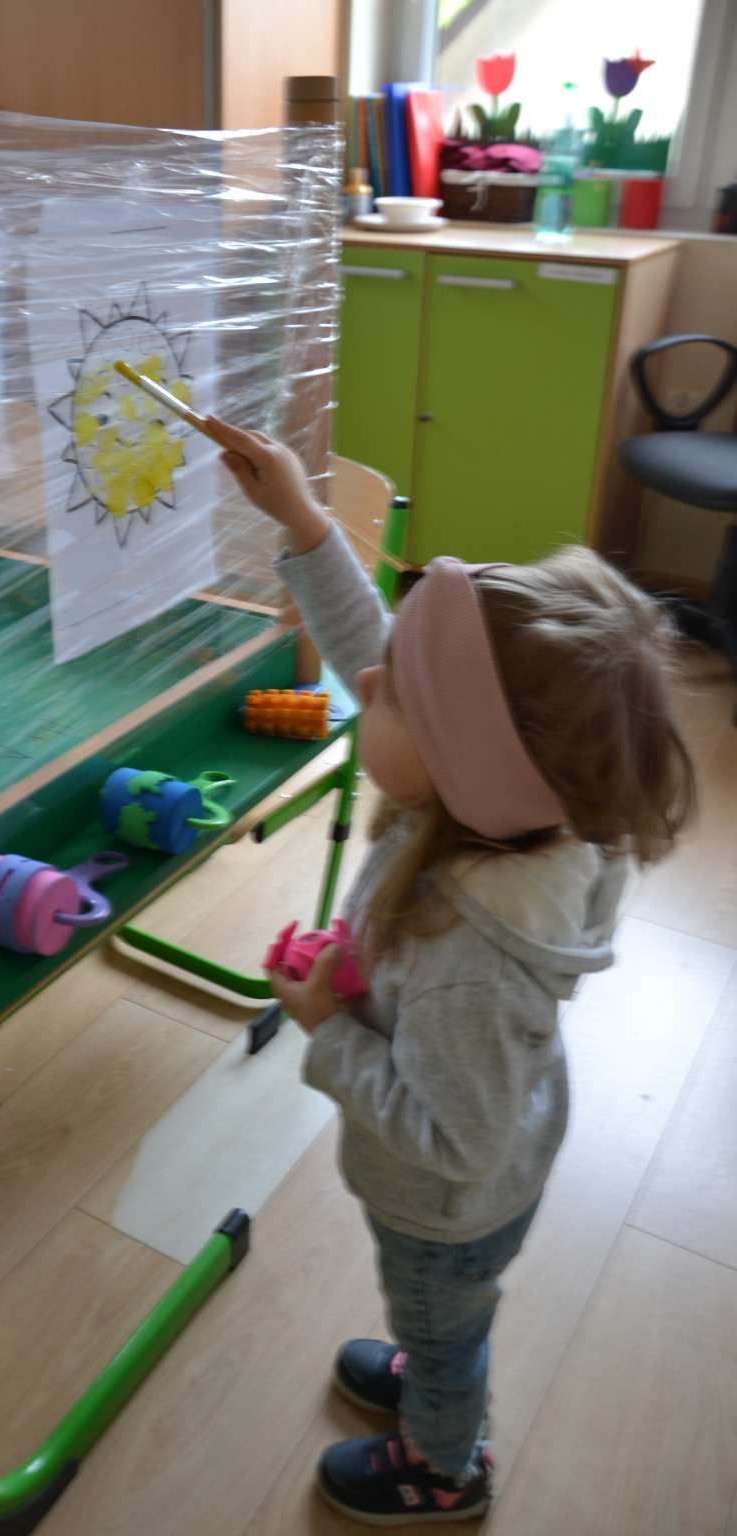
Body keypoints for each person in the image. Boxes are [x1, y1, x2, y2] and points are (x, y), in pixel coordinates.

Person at [211, 417, 697, 1526]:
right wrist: (301, 518)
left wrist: (327, 1027)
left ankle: (445, 1461)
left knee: (439, 1319)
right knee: (439, 1313)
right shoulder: (505, 812)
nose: (365, 674)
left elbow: (454, 1139)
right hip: (470, 1174)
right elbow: (380, 651)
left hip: (444, 1204)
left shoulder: (470, 954)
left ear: (457, 761)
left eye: (391, 695)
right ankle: (435, 1355)